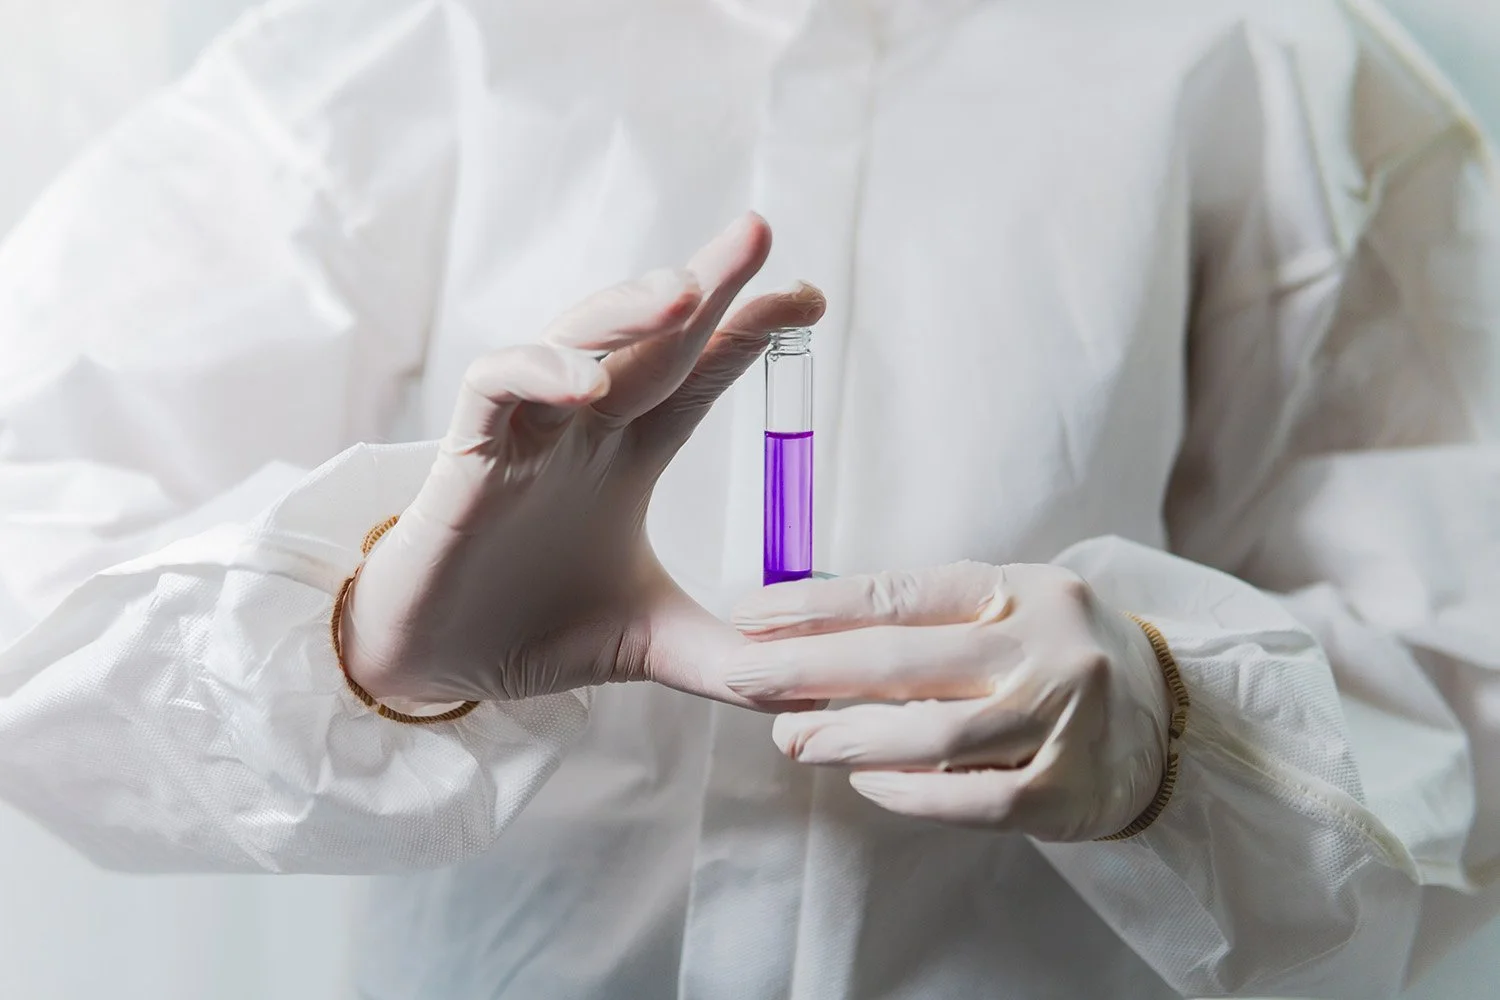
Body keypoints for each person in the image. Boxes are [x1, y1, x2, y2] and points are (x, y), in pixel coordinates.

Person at [1, 0, 1497, 996]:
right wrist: (353, 633)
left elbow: (1468, 683)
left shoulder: (1268, 57)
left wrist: (1181, 736)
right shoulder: (398, 41)